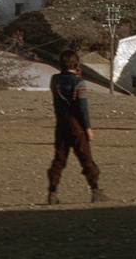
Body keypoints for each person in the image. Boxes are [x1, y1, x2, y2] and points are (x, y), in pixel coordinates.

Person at [46, 49, 106, 204]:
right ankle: (95, 190)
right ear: (77, 64)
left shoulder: (55, 80)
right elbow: (82, 107)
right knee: (86, 157)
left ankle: (52, 191)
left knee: (59, 157)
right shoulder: (79, 83)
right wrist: (88, 127)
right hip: (76, 124)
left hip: (61, 123)